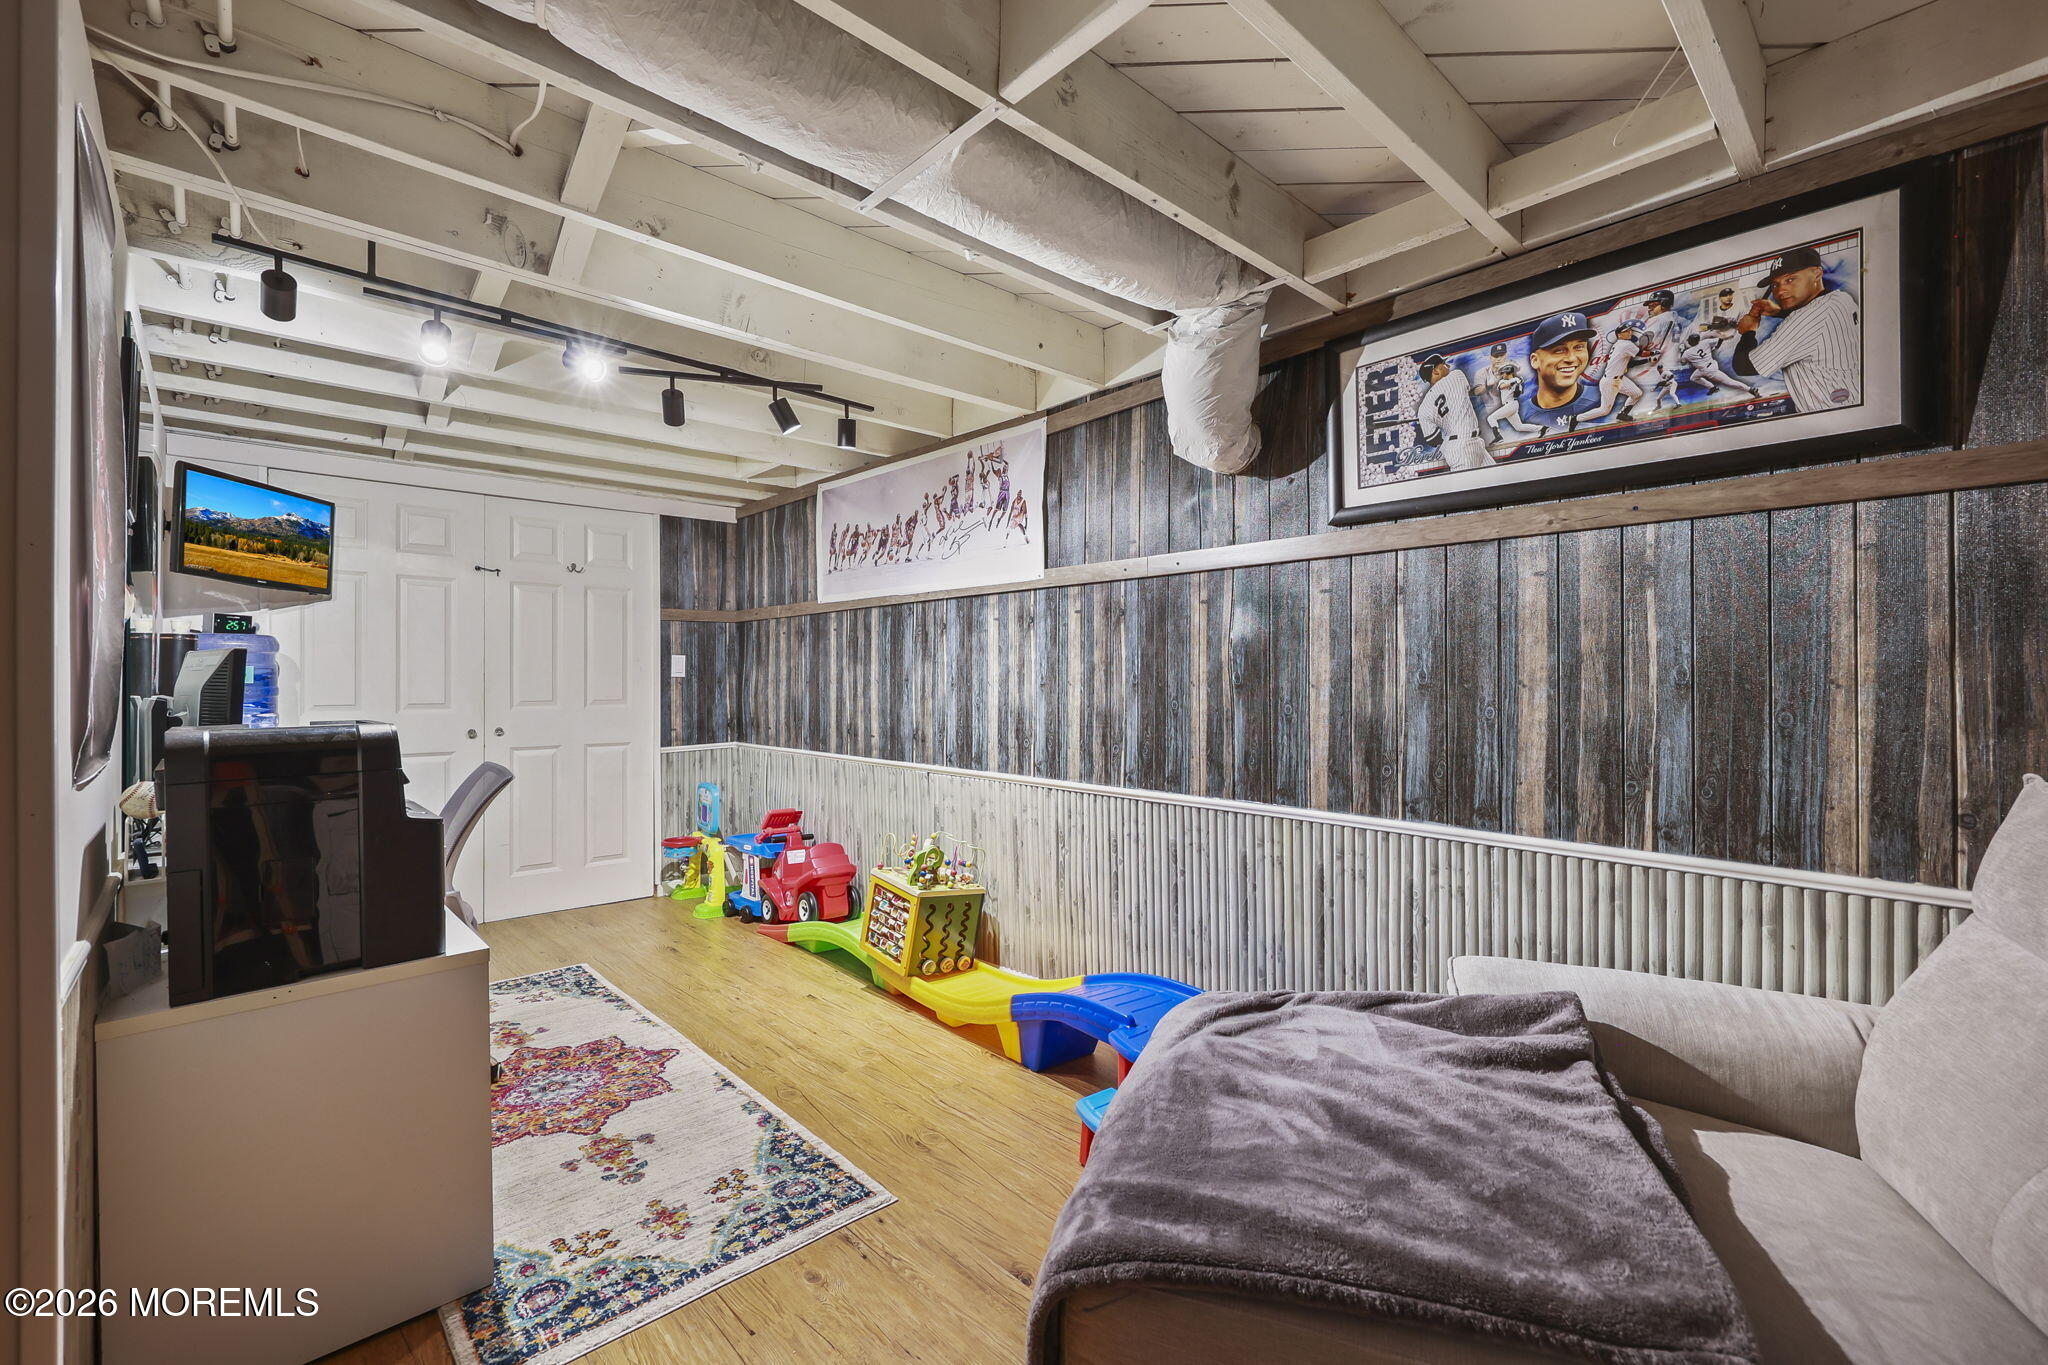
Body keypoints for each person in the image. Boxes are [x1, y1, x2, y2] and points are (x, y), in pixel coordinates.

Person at [1731, 245, 1862, 411]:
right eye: (1775, 285)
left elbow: (1745, 366)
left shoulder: (1807, 317)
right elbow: (1815, 325)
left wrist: (1748, 331)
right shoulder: (1841, 298)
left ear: (1817, 274)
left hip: (1831, 416)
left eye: (1790, 280)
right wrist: (1780, 312)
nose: (1780, 291)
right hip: (1852, 404)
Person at [1517, 311, 1602, 430]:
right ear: (1535, 360)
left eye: (1579, 347)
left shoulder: (1604, 398)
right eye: (1559, 350)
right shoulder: (1519, 414)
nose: (1571, 358)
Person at [1412, 352, 1491, 471]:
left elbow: (1433, 440)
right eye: (1443, 364)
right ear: (1435, 371)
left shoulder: (1423, 408)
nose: (1448, 366)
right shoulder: (1457, 376)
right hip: (1464, 449)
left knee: (1497, 479)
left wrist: (1439, 421)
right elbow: (1461, 394)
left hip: (1463, 445)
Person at [1578, 320, 1647, 426]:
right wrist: (1653, 353)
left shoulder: (1619, 345)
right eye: (1626, 331)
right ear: (1619, 335)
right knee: (1604, 410)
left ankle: (1622, 414)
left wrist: (1648, 360)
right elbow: (1642, 353)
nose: (1629, 332)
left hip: (1620, 379)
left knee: (1637, 394)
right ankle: (1577, 418)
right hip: (1610, 382)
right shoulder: (1626, 344)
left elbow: (1630, 364)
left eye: (1630, 330)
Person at [1481, 342, 1544, 445]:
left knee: (1491, 418)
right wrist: (1515, 382)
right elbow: (1502, 386)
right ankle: (1542, 428)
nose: (1502, 375)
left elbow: (1519, 392)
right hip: (1510, 406)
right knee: (1519, 427)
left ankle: (1498, 437)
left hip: (1511, 404)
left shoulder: (1516, 380)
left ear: (1508, 373)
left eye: (1503, 373)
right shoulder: (1505, 381)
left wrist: (1518, 384)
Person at [1678, 330, 1759, 400]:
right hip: (1707, 366)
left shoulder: (1687, 353)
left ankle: (1750, 389)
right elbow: (1720, 339)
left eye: (1689, 340)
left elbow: (1683, 363)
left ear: (1691, 342)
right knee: (1693, 378)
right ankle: (1712, 388)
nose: (1688, 341)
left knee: (1729, 382)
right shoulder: (1704, 342)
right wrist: (1716, 347)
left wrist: (1681, 351)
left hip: (1709, 371)